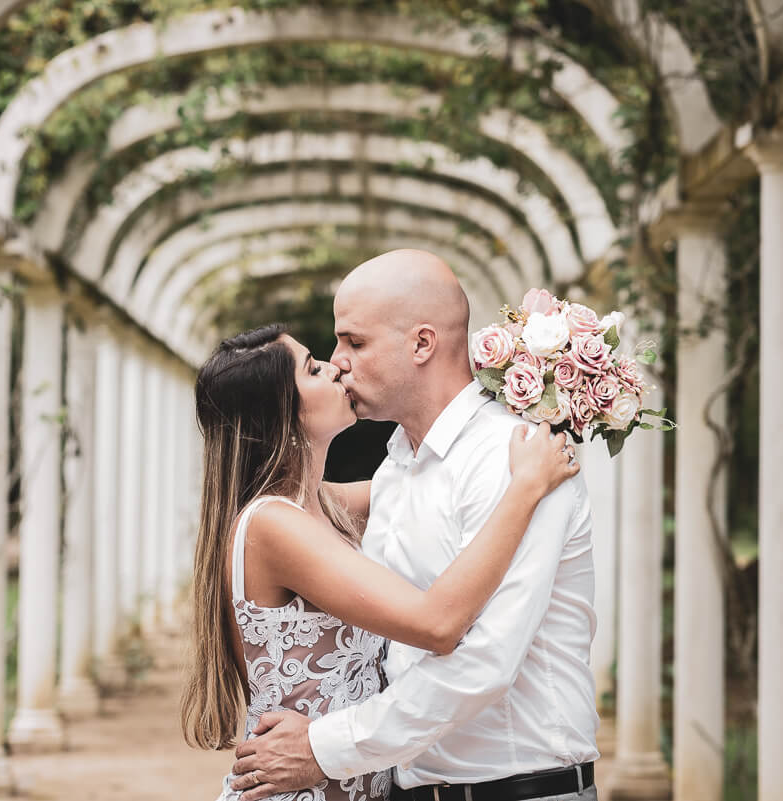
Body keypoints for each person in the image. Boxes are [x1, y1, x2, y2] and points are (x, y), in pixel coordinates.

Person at [229, 250, 599, 801]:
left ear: (422, 344)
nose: (337, 362)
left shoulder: (516, 458)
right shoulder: (397, 467)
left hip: (518, 788)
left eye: (354, 341)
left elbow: (483, 662)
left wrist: (325, 748)